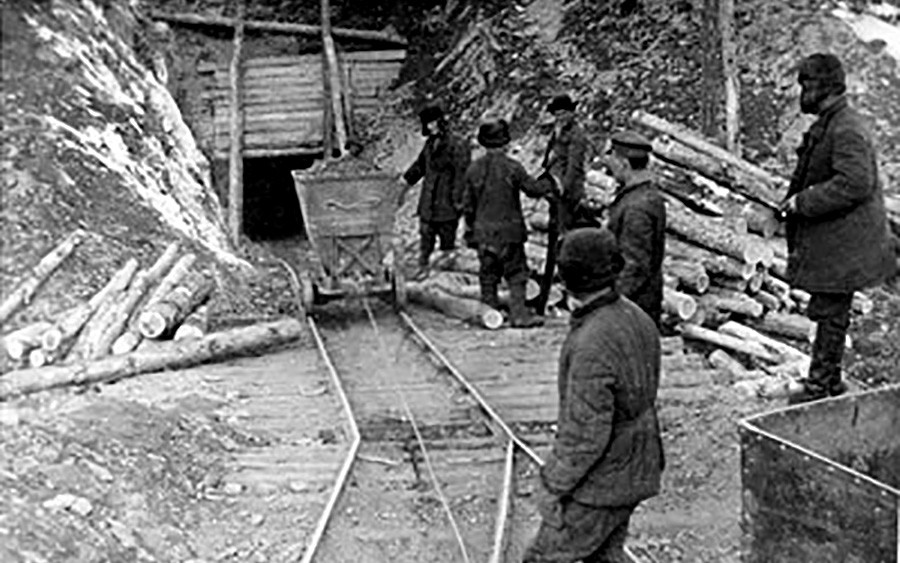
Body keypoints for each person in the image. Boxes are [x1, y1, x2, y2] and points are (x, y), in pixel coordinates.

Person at [524, 227, 664, 563]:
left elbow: (585, 435)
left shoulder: (593, 342)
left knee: (544, 558)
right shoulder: (637, 317)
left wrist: (551, 484)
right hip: (638, 462)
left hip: (604, 480)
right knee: (606, 555)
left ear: (566, 279)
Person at [779, 53, 896, 404]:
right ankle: (827, 381)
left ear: (822, 87)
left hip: (846, 244)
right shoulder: (834, 122)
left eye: (805, 85)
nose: (801, 93)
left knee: (831, 314)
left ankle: (820, 387)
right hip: (839, 241)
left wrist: (803, 202)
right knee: (831, 312)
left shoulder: (845, 127)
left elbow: (856, 183)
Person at [463, 119, 553, 328]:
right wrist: (550, 183)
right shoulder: (513, 167)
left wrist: (470, 232)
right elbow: (532, 189)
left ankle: (490, 315)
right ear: (505, 143)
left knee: (488, 276)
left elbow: (467, 206)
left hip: (484, 233)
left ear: (483, 143)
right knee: (516, 274)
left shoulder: (473, 170)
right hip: (509, 233)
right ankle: (519, 315)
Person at [600, 131, 666, 327]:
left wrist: (611, 302)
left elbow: (635, 265)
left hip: (633, 307)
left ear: (624, 164)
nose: (609, 167)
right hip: (638, 303)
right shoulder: (642, 195)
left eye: (612, 161)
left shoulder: (637, 207)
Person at [401, 103, 472, 280]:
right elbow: (420, 166)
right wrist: (405, 181)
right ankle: (423, 272)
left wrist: (458, 203)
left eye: (433, 123)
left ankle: (447, 278)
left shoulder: (457, 144)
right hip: (428, 204)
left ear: (441, 122)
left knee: (447, 244)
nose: (430, 127)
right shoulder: (430, 144)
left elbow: (461, 176)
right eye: (427, 124)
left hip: (447, 204)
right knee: (425, 241)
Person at [543, 94, 590, 232]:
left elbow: (574, 165)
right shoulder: (558, 131)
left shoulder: (577, 134)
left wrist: (565, 187)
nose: (560, 118)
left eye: (563, 114)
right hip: (556, 184)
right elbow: (551, 154)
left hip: (568, 188)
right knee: (554, 223)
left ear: (571, 113)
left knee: (564, 225)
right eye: (557, 115)